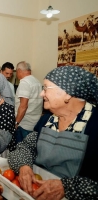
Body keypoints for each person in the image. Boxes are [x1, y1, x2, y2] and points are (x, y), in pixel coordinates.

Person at [8, 66, 98, 200]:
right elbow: (26, 147)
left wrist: (67, 187)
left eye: (46, 88)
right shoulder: (47, 119)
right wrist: (24, 165)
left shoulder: (94, 124)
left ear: (68, 93)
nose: (41, 94)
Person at [14, 61, 42, 144]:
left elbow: (23, 106)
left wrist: (16, 123)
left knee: (21, 151)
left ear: (19, 70)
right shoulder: (37, 81)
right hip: (35, 123)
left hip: (24, 124)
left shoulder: (24, 83)